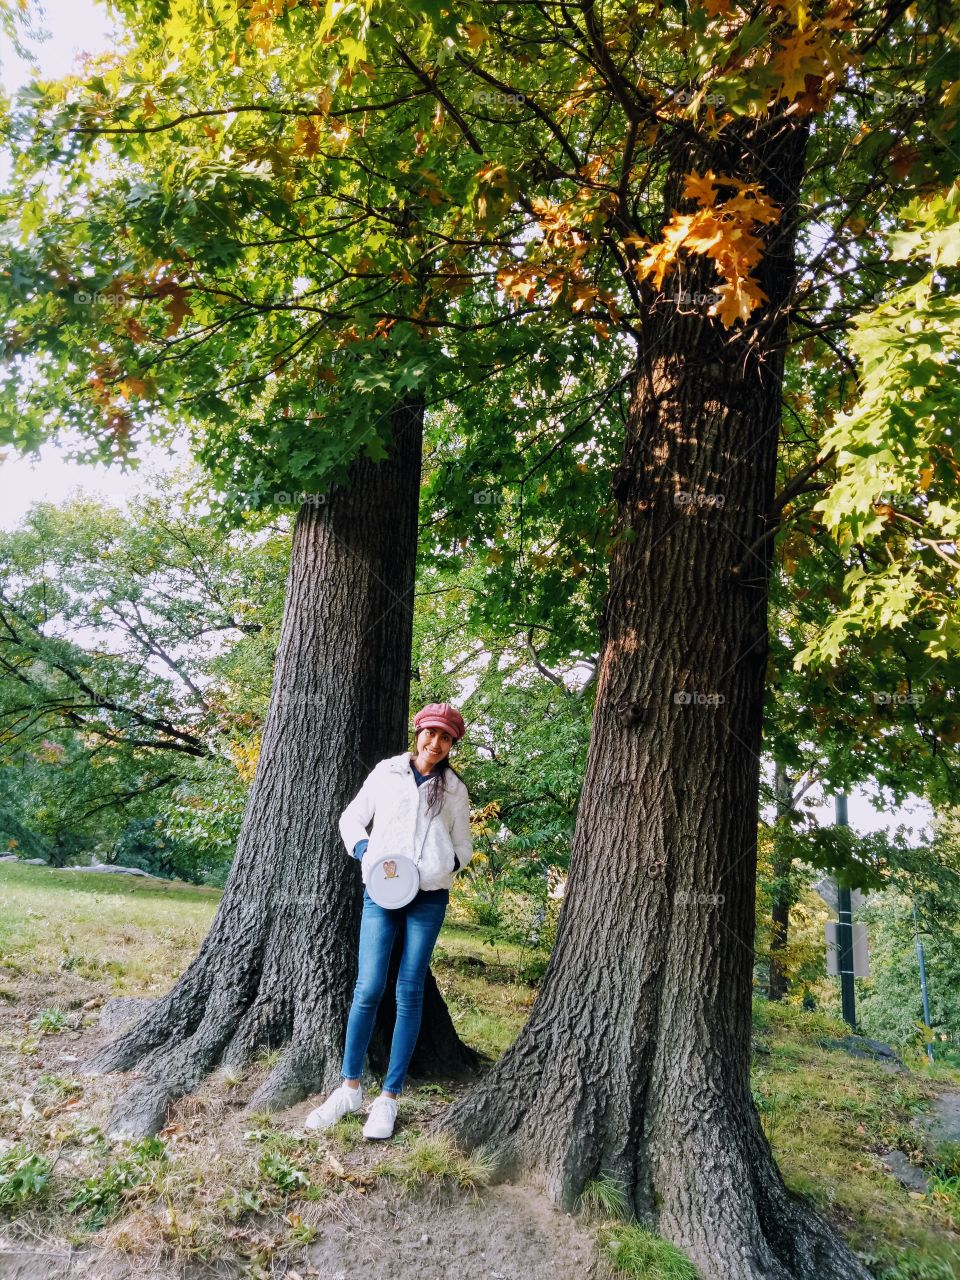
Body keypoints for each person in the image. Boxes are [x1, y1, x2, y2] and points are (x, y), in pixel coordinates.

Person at [304, 702, 473, 1140]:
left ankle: (389, 1098)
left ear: (452, 744)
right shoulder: (387, 773)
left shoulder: (454, 789)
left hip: (429, 899)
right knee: (369, 987)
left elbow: (463, 845)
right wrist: (366, 854)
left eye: (445, 739)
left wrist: (442, 866)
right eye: (430, 734)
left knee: (409, 989)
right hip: (382, 891)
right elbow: (352, 818)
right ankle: (349, 1088)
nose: (435, 744)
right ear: (417, 732)